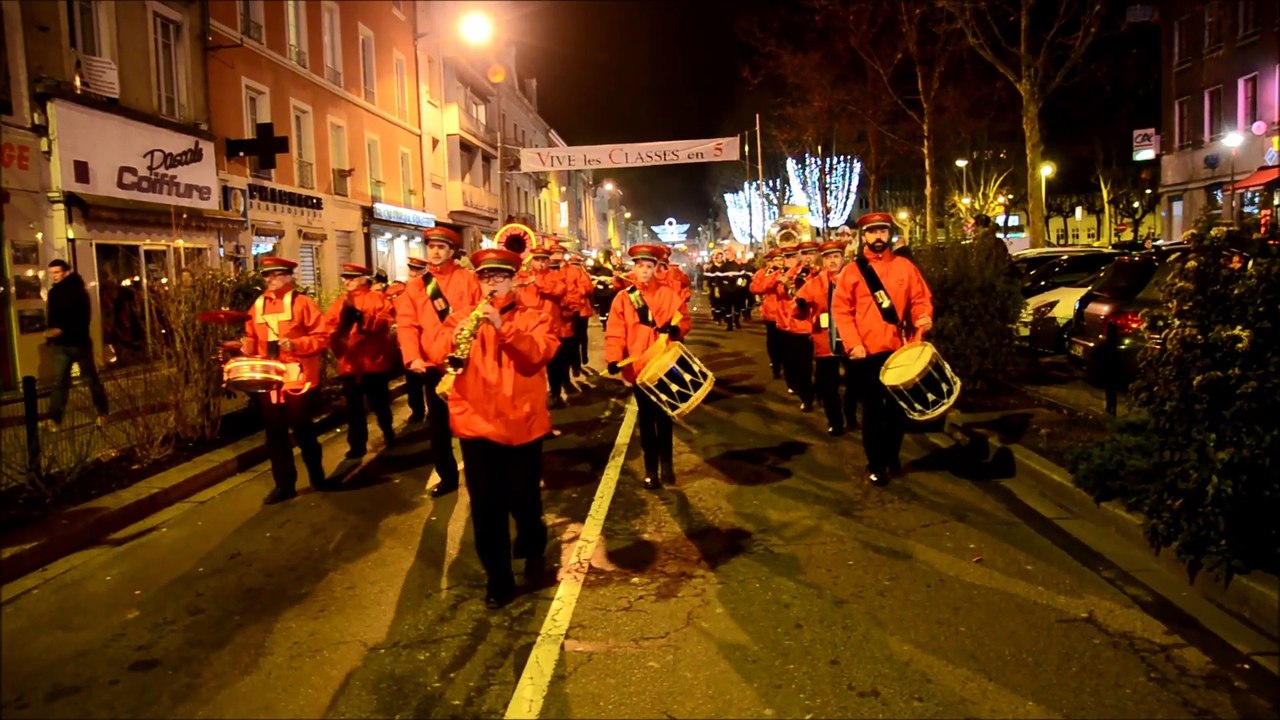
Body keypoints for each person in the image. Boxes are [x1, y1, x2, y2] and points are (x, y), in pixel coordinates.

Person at [430, 247, 559, 609]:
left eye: (499, 277)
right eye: (486, 278)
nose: (492, 284)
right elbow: (438, 351)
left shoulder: (535, 317)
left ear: (513, 279)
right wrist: (456, 338)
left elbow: (538, 355)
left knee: (524, 501)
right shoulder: (460, 318)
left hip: (523, 424)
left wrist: (503, 328)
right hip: (477, 425)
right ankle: (498, 579)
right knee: (486, 508)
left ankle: (533, 545)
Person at [832, 212, 934, 487]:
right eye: (873, 232)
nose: (878, 237)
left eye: (883, 231)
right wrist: (854, 344)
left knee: (899, 411)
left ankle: (892, 455)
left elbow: (920, 299)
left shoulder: (905, 267)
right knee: (874, 411)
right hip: (867, 353)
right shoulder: (852, 271)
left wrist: (923, 318)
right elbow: (842, 310)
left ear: (889, 234)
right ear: (863, 236)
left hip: (901, 351)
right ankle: (876, 462)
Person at [237, 257, 331, 504]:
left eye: (276, 274)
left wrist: (296, 344)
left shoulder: (303, 303)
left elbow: (322, 338)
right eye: (267, 275)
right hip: (270, 378)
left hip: (299, 377)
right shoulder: (257, 306)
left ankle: (317, 475)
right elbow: (250, 336)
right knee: (275, 432)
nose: (270, 280)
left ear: (289, 276)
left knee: (302, 428)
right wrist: (246, 346)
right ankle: (284, 485)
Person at [396, 226, 482, 497]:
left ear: (451, 252)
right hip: (435, 368)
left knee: (472, 424)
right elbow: (407, 325)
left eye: (440, 247)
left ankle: (479, 474)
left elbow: (480, 315)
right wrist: (412, 357)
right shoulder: (415, 286)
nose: (434, 251)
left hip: (466, 364)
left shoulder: (468, 280)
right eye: (431, 247)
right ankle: (447, 477)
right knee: (439, 429)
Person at [604, 244, 691, 490]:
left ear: (655, 268)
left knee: (664, 417)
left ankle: (667, 466)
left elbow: (683, 318)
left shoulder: (668, 293)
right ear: (634, 267)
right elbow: (615, 332)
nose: (644, 271)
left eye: (648, 266)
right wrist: (613, 358)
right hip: (639, 366)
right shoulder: (623, 298)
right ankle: (651, 469)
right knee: (646, 419)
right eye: (639, 266)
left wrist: (676, 329)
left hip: (663, 364)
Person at [325, 263, 396, 459]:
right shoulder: (340, 302)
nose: (347, 281)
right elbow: (328, 329)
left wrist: (362, 318)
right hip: (350, 363)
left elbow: (385, 322)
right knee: (354, 409)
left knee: (380, 404)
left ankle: (388, 431)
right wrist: (339, 330)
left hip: (373, 362)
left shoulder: (378, 299)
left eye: (352, 278)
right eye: (345, 278)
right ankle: (357, 445)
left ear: (364, 279)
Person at [795, 241, 858, 435]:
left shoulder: (854, 279)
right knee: (828, 385)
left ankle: (851, 414)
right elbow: (796, 308)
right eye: (828, 257)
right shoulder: (815, 282)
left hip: (852, 339)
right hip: (825, 340)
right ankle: (835, 422)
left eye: (836, 256)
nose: (832, 261)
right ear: (823, 260)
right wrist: (801, 306)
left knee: (855, 382)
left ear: (843, 258)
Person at [42, 259, 110, 431]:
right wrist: (50, 333)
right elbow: (53, 317)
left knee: (91, 380)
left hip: (79, 343)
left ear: (66, 272)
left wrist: (61, 329)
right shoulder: (53, 293)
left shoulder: (79, 292)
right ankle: (54, 419)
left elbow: (82, 318)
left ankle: (102, 412)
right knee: (59, 383)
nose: (54, 276)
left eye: (57, 272)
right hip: (60, 345)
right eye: (52, 273)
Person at [398, 256, 430, 423]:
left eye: (417, 270)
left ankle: (433, 412)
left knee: (431, 385)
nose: (414, 273)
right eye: (412, 269)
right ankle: (417, 410)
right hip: (410, 344)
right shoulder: (403, 290)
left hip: (428, 345)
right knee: (413, 383)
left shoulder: (431, 289)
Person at [748, 249, 785, 379]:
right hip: (772, 312)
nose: (780, 263)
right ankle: (776, 365)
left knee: (786, 342)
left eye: (781, 260)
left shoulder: (789, 271)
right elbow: (756, 288)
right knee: (773, 341)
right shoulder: (763, 273)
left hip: (787, 313)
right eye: (776, 260)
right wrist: (774, 276)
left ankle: (786, 365)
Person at [565, 253, 597, 375]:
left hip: (570, 309)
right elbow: (589, 288)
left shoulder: (564, 272)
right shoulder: (583, 273)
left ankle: (575, 365)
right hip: (582, 309)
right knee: (582, 335)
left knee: (573, 338)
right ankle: (584, 356)